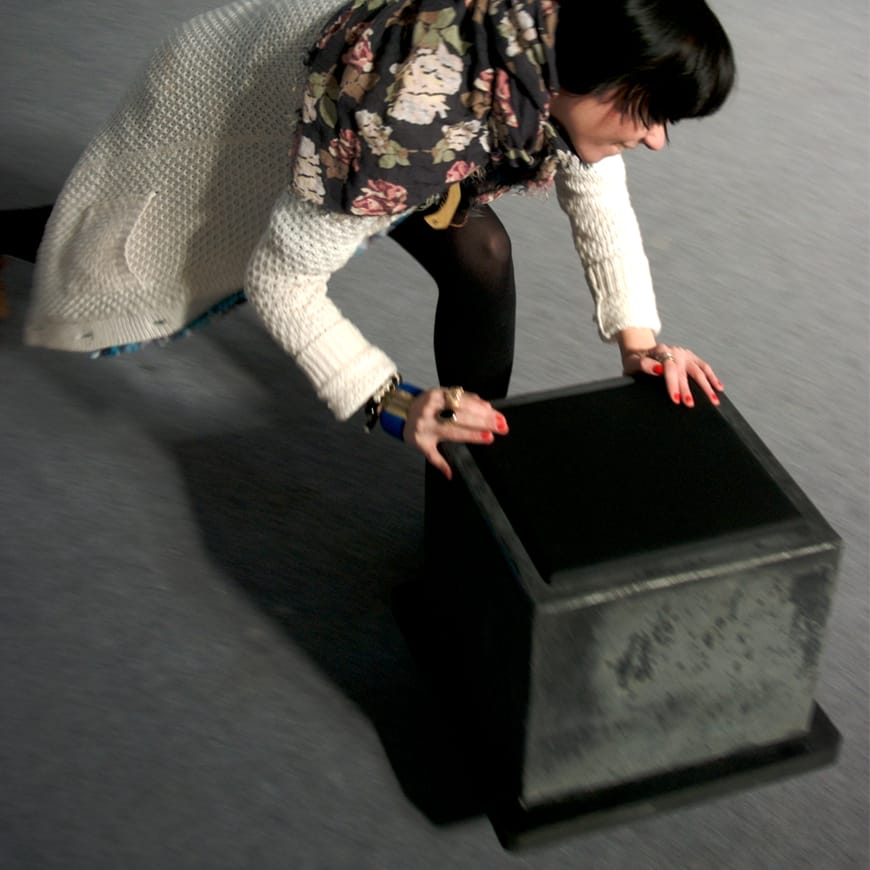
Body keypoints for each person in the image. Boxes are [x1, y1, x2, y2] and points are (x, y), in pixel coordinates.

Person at [18, 0, 735, 479]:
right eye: (651, 113)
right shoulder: (406, 128)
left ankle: (476, 448)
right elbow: (283, 284)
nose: (657, 141)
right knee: (116, 246)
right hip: (238, 103)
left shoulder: (554, 36)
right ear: (589, 78)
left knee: (480, 252)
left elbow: (593, 181)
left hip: (399, 105)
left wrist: (639, 343)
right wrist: (391, 404)